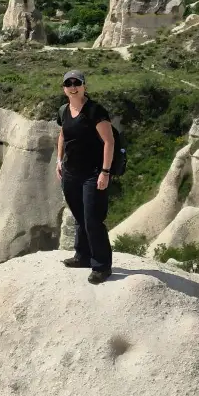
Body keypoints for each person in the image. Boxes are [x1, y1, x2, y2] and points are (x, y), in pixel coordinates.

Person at [56, 69, 114, 284]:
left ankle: (101, 265)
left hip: (93, 174)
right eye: (68, 83)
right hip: (70, 173)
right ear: (64, 88)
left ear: (84, 86)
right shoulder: (63, 110)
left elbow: (109, 142)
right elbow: (63, 135)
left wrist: (105, 172)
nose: (73, 87)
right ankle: (82, 256)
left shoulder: (95, 110)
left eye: (76, 83)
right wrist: (58, 160)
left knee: (92, 220)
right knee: (79, 217)